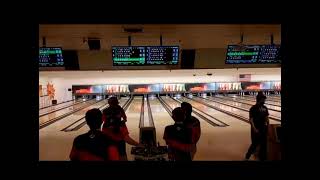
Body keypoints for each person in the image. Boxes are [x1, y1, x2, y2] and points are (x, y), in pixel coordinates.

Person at [245, 92, 269, 161]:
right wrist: (254, 129)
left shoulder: (265, 108)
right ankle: (247, 156)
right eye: (263, 99)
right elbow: (251, 120)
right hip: (256, 129)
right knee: (254, 144)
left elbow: (267, 118)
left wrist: (268, 127)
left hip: (263, 129)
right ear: (259, 99)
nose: (264, 101)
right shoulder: (253, 108)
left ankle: (263, 158)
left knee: (264, 144)